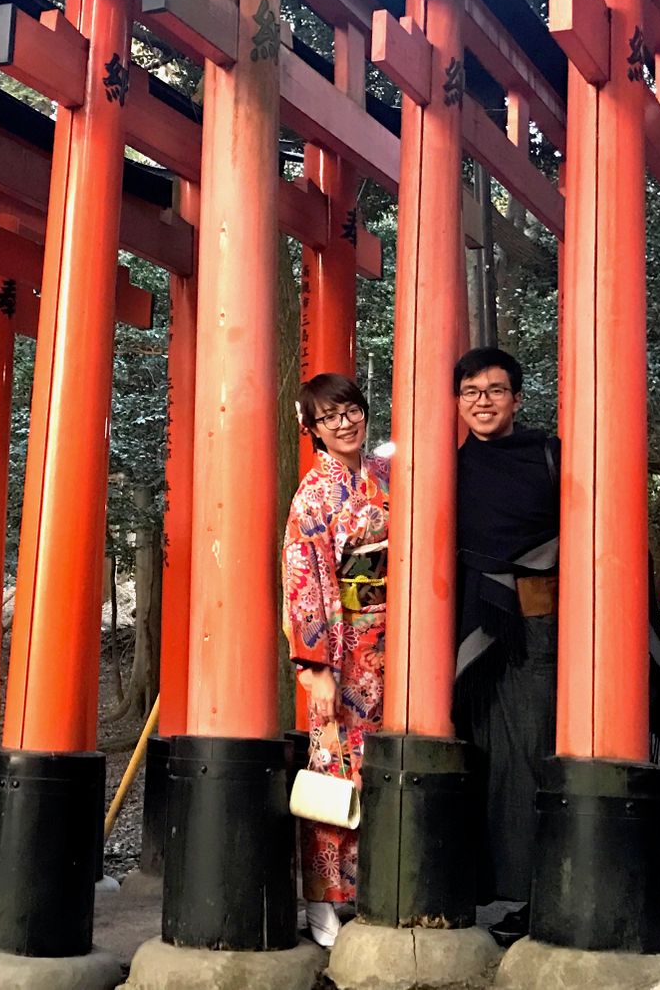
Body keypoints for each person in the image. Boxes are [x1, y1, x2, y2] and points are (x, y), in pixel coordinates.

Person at [451, 347, 559, 946]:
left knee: (534, 752)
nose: (483, 401)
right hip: (468, 626)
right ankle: (477, 884)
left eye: (495, 390)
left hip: (537, 626)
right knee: (478, 755)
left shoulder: (550, 454)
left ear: (517, 398)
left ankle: (543, 894)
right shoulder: (447, 467)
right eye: (470, 391)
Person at [282, 372, 390, 948]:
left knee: (381, 770)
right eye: (329, 417)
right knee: (333, 770)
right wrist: (315, 667)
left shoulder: (389, 475)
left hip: (393, 643)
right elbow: (303, 581)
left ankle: (372, 884)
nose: (344, 422)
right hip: (343, 649)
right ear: (313, 430)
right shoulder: (314, 494)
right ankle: (323, 900)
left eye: (350, 410)